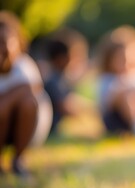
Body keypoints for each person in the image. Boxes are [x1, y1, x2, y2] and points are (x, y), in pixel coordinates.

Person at [0, 11, 52, 176]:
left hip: (27, 129)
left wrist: (4, 104)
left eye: (3, 42)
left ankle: (18, 159)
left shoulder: (24, 66)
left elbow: (30, 89)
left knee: (27, 102)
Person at [42, 27, 89, 135]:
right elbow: (66, 106)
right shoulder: (52, 80)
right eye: (75, 56)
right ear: (62, 58)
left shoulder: (60, 78)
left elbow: (71, 99)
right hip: (51, 128)